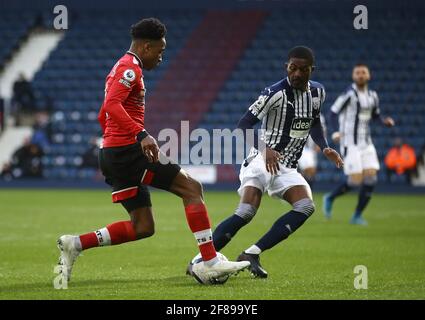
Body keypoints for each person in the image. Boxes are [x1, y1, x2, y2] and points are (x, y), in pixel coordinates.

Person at [57, 18, 249, 283]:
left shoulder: (122, 67)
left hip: (114, 154)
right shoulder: (129, 69)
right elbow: (111, 105)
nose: (161, 57)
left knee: (143, 227)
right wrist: (139, 134)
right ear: (146, 47)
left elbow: (104, 113)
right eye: (160, 51)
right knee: (192, 189)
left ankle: (75, 243)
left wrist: (112, 140)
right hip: (128, 152)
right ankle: (210, 260)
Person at [203, 46, 344, 278]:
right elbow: (242, 126)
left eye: (303, 69)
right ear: (287, 67)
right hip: (260, 158)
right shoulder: (274, 93)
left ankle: (251, 254)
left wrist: (325, 145)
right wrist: (264, 148)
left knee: (306, 207)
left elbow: (314, 122)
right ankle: (201, 259)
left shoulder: (318, 93)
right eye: (293, 68)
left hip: (287, 165)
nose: (297, 73)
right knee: (247, 212)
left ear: (312, 70)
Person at [323, 63, 395, 225]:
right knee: (355, 180)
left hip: (366, 142)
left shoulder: (373, 96)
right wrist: (335, 132)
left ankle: (356, 216)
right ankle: (330, 197)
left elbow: (375, 115)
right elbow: (332, 113)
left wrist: (385, 122)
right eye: (357, 73)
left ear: (368, 76)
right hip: (350, 143)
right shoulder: (349, 94)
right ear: (353, 76)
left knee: (371, 179)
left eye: (363, 72)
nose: (361, 75)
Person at [298, 114, 326, 188]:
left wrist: (320, 143)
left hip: (311, 148)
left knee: (311, 172)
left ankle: (304, 192)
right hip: (300, 146)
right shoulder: (297, 112)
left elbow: (322, 130)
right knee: (309, 170)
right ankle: (301, 191)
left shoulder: (318, 116)